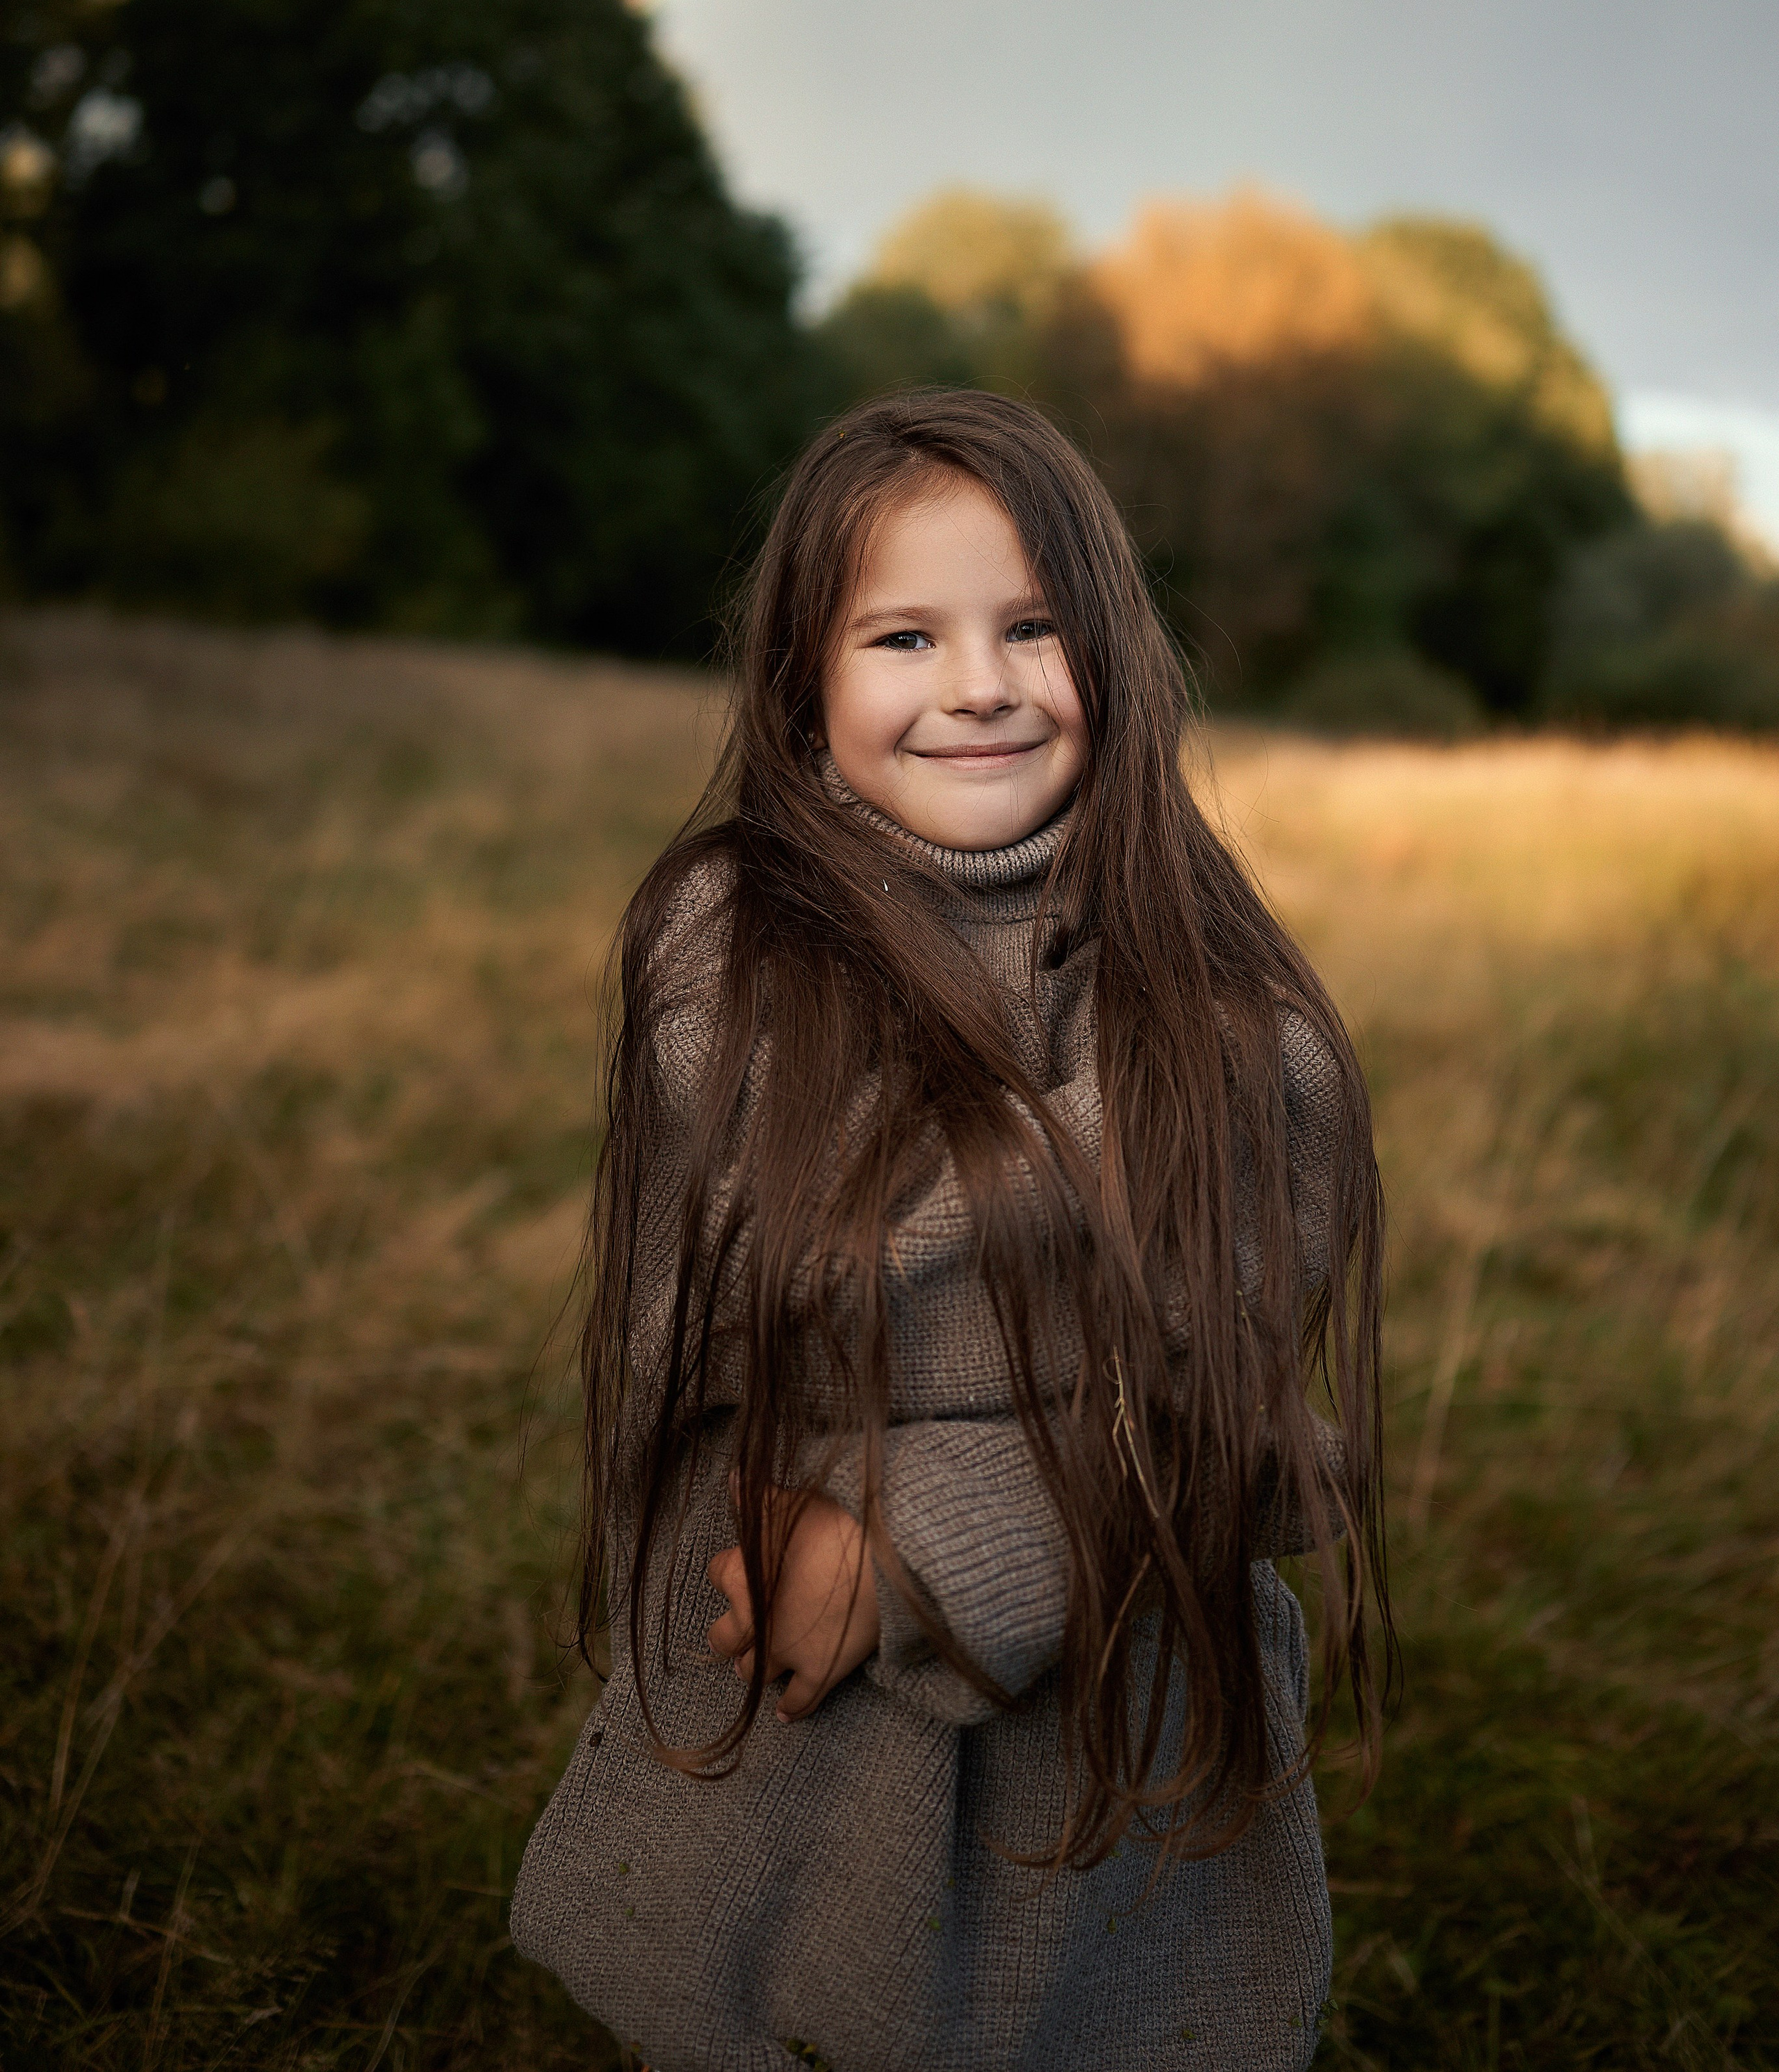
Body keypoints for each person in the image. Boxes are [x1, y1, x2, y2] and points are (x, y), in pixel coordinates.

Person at [512, 390, 1388, 2072]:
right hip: (789, 1687)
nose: (978, 683)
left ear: (1113, 656)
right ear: (801, 681)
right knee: (779, 2011)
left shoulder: (1230, 1021)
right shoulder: (723, 947)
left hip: (1114, 1745)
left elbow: (1243, 1430)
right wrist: (840, 1507)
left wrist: (936, 1531)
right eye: (903, 634)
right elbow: (751, 1319)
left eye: (1031, 627)